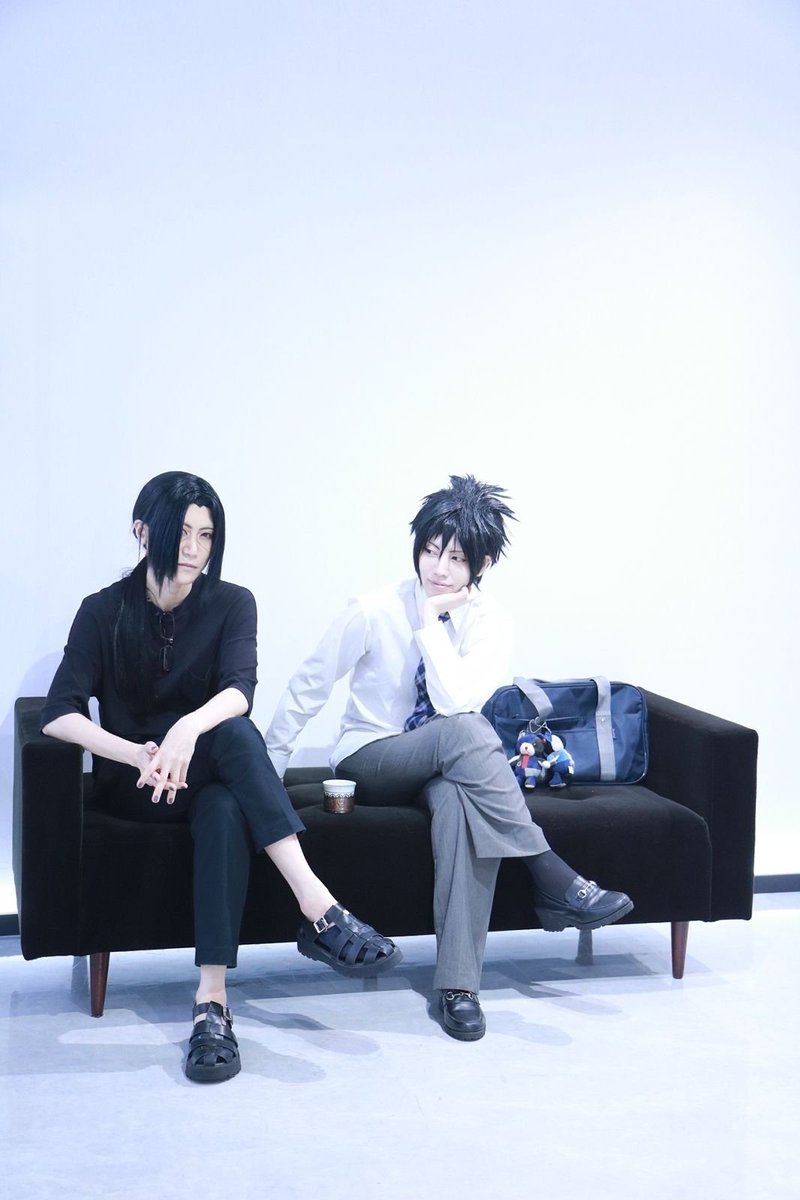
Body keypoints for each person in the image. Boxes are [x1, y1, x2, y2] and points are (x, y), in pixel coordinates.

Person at [41, 471, 399, 1083]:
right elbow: (58, 714)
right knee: (233, 744)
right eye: (181, 532)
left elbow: (239, 691)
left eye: (206, 535)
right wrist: (137, 755)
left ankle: (212, 1003)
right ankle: (319, 908)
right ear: (142, 531)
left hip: (206, 776)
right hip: (137, 787)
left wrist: (185, 731)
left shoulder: (233, 602)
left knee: (226, 792)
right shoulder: (102, 611)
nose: (193, 548)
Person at [266, 474, 633, 1042]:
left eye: (457, 558)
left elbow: (454, 700)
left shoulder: (492, 622)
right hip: (372, 757)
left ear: (481, 564)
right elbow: (310, 684)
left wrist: (433, 627)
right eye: (431, 550)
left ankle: (458, 987)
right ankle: (548, 871)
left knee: (460, 805)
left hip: (445, 764)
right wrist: (270, 768)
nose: (438, 568)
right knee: (467, 731)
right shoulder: (373, 610)